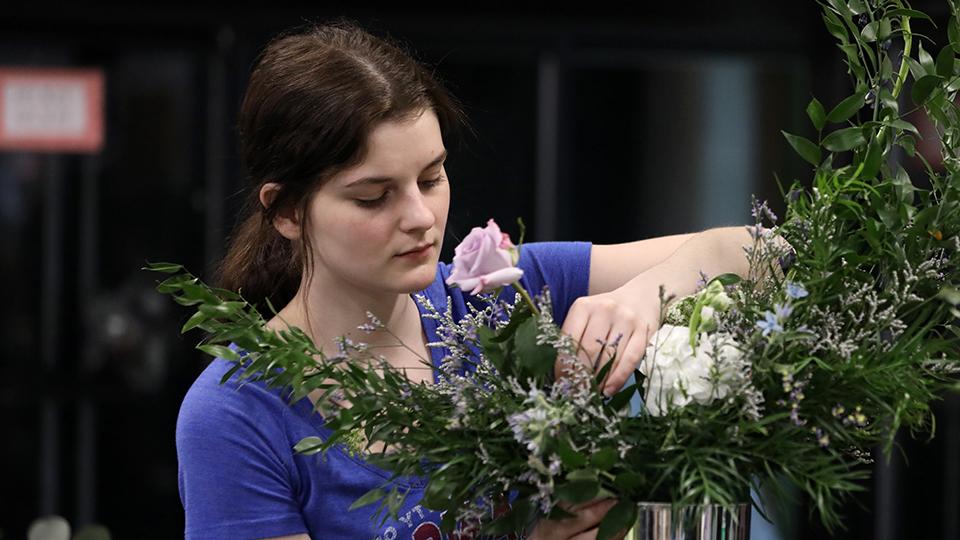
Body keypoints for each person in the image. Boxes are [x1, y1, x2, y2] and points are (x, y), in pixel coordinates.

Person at [175, 18, 760, 540]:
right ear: (285, 211)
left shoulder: (498, 294)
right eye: (374, 197)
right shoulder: (236, 416)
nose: (421, 218)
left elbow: (764, 250)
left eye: (431, 179)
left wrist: (641, 297)